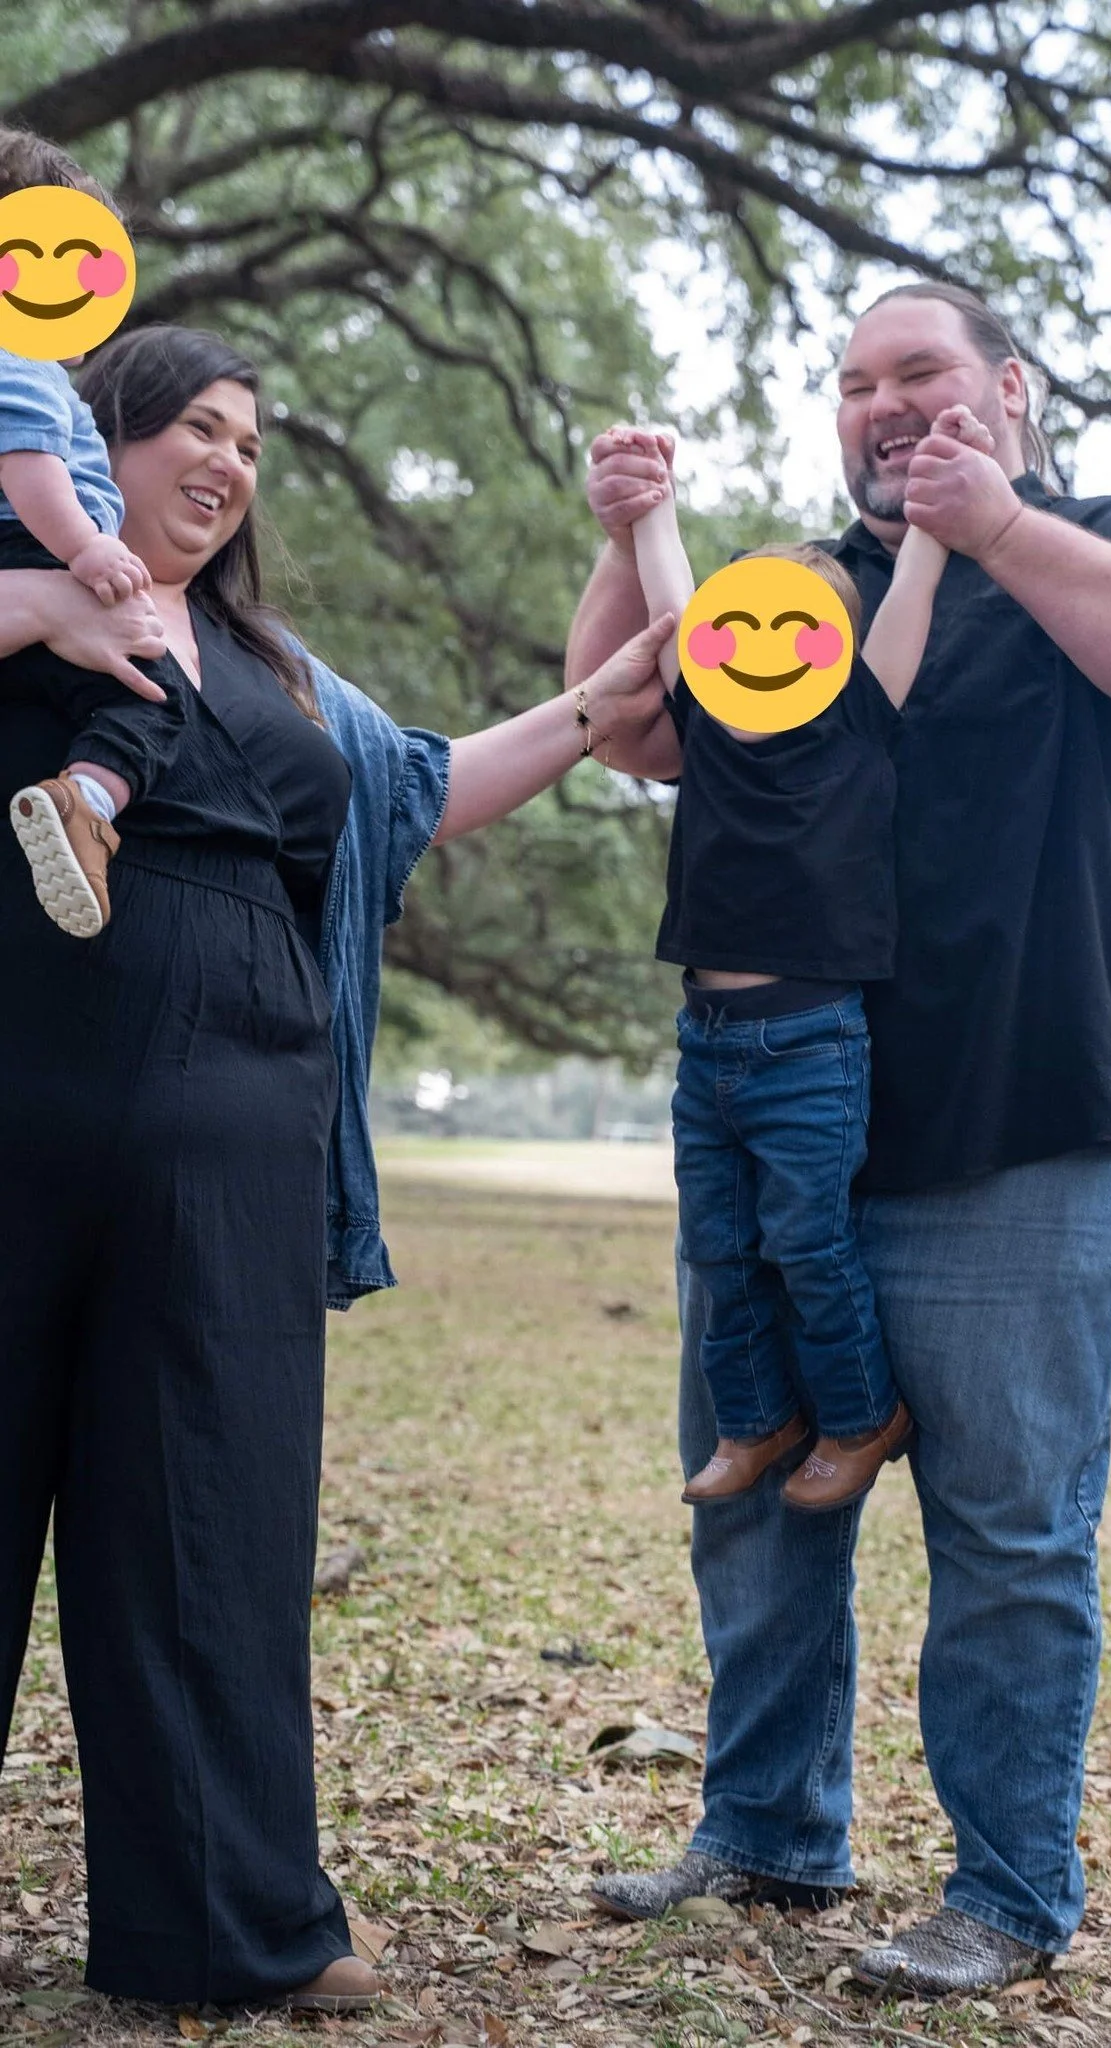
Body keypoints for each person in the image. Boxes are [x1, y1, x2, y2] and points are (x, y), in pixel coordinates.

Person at [564, 281, 1111, 1994]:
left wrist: (998, 524)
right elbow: (629, 727)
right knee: (763, 1495)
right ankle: (771, 1824)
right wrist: (624, 539)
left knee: (1011, 1528)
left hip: (1025, 1124)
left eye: (920, 373)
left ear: (1009, 389)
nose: (881, 402)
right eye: (853, 382)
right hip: (794, 1125)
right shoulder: (806, 592)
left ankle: (1013, 1888)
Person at [0, 322, 673, 2012]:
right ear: (100, 437)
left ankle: (226, 1925)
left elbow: (426, 790)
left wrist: (604, 694)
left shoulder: (280, 665)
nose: (225, 464)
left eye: (249, 441)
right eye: (192, 430)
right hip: (23, 1071)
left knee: (206, 1520)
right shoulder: (30, 574)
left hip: (241, 1115)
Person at [613, 407, 991, 1513]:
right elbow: (677, 600)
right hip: (709, 1040)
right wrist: (654, 506)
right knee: (720, 1247)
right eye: (751, 619)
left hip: (811, 1038)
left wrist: (931, 506)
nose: (768, 641)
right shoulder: (710, 728)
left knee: (807, 1244)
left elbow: (914, 584)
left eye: (802, 624)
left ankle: (861, 1413)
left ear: (835, 648)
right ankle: (754, 1418)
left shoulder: (862, 722)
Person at [0, 126, 187, 937]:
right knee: (153, 697)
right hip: (37, 548)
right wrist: (81, 550)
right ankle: (88, 802)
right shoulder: (23, 360)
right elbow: (28, 463)